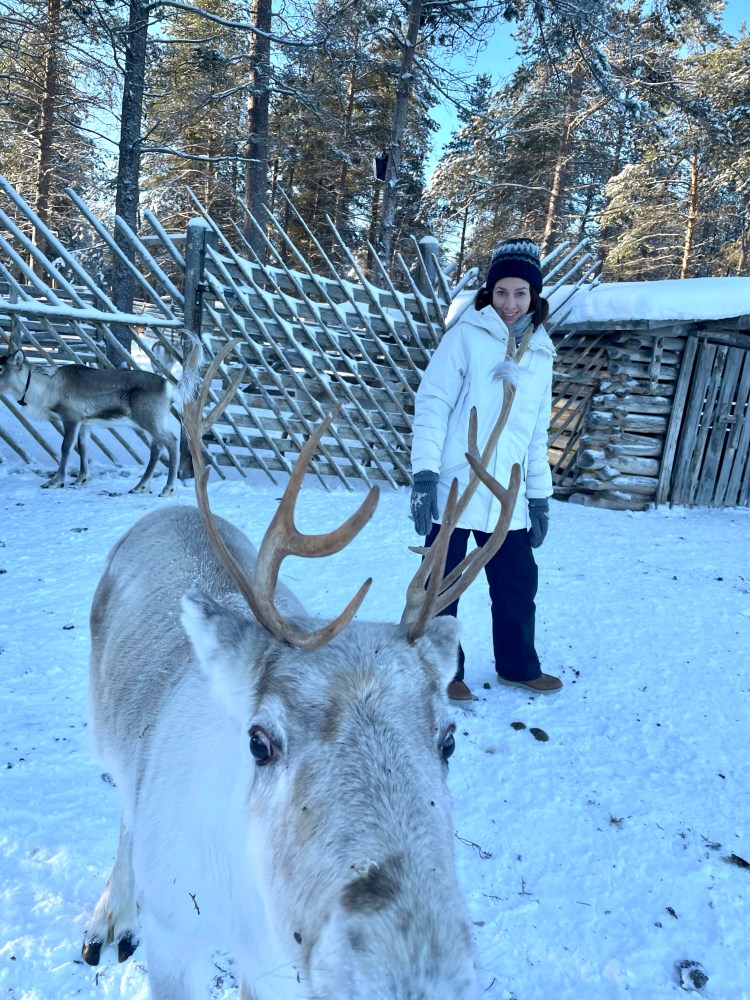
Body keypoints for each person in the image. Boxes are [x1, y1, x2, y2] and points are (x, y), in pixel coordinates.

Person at [409, 238, 562, 701]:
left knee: (518, 584)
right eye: (501, 292)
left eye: (520, 293)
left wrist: (539, 497)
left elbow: (536, 434)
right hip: (455, 487)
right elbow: (432, 403)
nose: (510, 303)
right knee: (441, 586)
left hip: (505, 496)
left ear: (533, 296)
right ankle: (441, 673)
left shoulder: (541, 354)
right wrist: (424, 475)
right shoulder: (465, 337)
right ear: (489, 293)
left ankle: (518, 667)